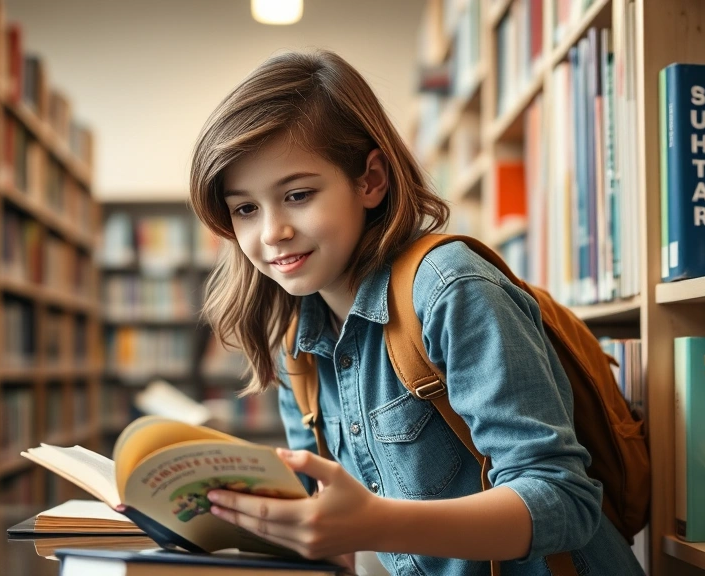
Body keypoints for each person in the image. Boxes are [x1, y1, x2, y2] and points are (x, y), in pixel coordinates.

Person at [188, 50, 643, 575]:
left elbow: (563, 501)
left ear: (370, 180)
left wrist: (374, 523)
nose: (271, 233)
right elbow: (339, 535)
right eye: (245, 208)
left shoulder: (450, 288)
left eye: (298, 194)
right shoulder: (297, 347)